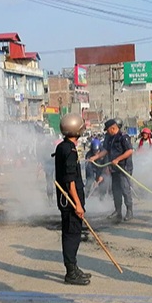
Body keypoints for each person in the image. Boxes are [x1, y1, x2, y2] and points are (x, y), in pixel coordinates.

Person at [54, 113, 92, 286]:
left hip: (68, 199)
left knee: (73, 234)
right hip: (70, 201)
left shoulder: (64, 146)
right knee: (71, 235)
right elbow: (70, 181)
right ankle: (70, 272)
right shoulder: (68, 150)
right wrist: (77, 204)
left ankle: (74, 267)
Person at [90, 119, 135, 221]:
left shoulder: (123, 137)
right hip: (114, 169)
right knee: (116, 190)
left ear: (113, 128)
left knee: (125, 189)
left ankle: (129, 211)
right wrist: (95, 157)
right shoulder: (109, 138)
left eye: (108, 129)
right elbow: (106, 150)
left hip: (124, 167)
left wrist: (118, 159)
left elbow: (129, 151)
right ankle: (117, 211)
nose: (107, 132)